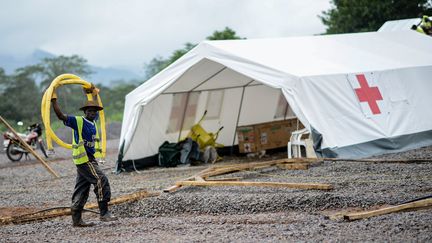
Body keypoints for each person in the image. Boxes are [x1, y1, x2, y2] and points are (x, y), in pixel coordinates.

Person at [51, 91, 117, 227]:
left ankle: (77, 220)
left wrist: (92, 93)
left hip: (89, 159)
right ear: (85, 112)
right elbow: (60, 116)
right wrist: (53, 101)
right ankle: (104, 214)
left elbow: (94, 105)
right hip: (84, 159)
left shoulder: (93, 122)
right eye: (90, 111)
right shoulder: (78, 121)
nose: (93, 113)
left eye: (95, 111)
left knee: (82, 189)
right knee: (101, 179)